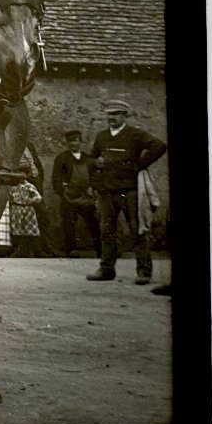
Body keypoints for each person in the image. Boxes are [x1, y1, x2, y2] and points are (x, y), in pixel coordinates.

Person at [86, 100, 168, 285]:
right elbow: (91, 158)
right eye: (109, 114)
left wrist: (138, 165)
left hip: (130, 192)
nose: (111, 118)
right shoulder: (102, 136)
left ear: (124, 115)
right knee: (106, 231)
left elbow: (159, 146)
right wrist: (96, 164)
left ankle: (143, 272)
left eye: (115, 114)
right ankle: (106, 269)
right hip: (106, 191)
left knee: (137, 231)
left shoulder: (135, 135)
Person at [52, 129, 101, 257]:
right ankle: (71, 250)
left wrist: (93, 188)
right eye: (69, 141)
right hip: (69, 197)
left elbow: (95, 177)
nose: (72, 143)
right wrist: (63, 191)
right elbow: (55, 179)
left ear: (80, 141)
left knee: (94, 223)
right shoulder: (62, 158)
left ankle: (102, 249)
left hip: (86, 197)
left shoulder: (89, 159)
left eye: (75, 140)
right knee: (68, 224)